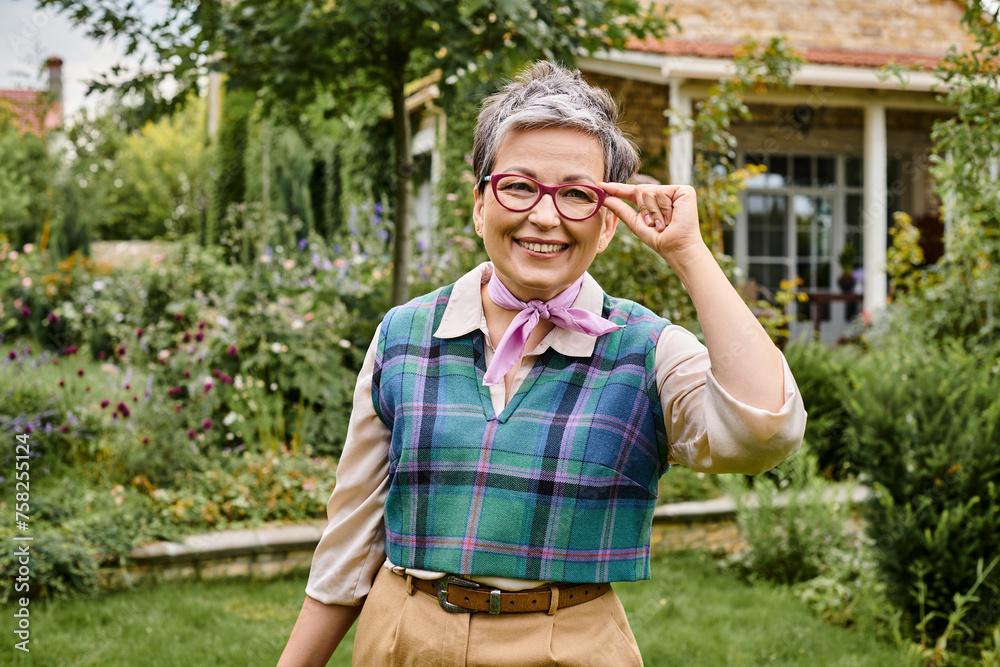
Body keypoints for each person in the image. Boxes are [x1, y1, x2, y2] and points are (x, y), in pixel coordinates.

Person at [278, 61, 806, 666]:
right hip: (403, 640)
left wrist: (687, 252)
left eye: (577, 194)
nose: (546, 216)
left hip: (571, 646)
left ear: (609, 223)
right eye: (520, 186)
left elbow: (766, 429)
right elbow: (350, 544)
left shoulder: (645, 348)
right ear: (480, 205)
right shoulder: (404, 336)